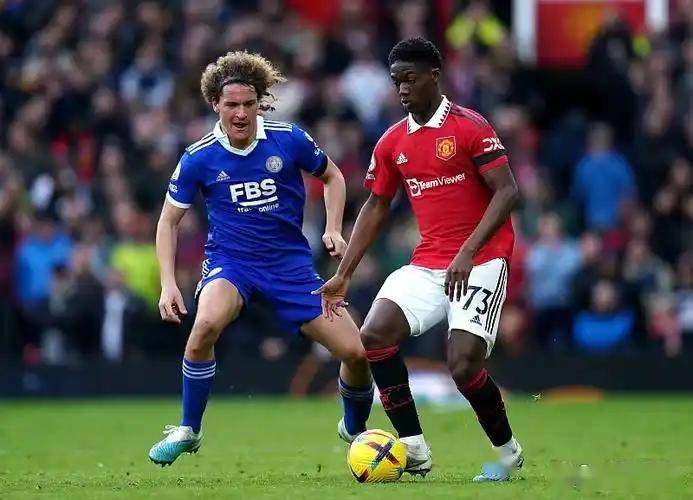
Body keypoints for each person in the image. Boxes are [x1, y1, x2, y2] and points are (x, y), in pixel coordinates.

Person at [148, 51, 372, 466]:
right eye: (232, 105)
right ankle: (189, 429)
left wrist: (333, 227)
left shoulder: (288, 139)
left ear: (259, 103)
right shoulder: (198, 157)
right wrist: (167, 282)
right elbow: (168, 221)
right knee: (205, 325)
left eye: (249, 104)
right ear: (215, 104)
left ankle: (356, 430)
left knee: (357, 354)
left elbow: (333, 176)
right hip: (232, 264)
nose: (241, 113)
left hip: (291, 268)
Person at [315, 37, 523, 482]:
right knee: (374, 336)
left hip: (482, 259)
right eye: (396, 82)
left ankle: (507, 454)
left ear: (434, 76)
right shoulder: (393, 141)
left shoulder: (470, 127)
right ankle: (413, 447)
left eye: (410, 79)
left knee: (463, 365)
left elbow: (508, 191)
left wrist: (468, 251)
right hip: (428, 262)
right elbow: (376, 206)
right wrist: (344, 273)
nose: (403, 89)